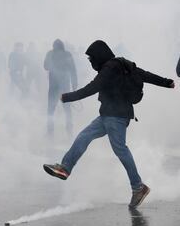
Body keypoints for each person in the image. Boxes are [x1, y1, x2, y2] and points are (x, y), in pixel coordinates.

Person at [43, 40, 175, 209]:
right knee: (85, 136)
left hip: (116, 116)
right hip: (107, 115)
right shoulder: (122, 64)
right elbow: (145, 75)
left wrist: (68, 97)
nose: (91, 62)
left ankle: (138, 187)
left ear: (99, 55)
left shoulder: (110, 68)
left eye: (91, 58)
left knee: (120, 148)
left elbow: (93, 87)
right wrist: (166, 82)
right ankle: (65, 168)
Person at [44, 39, 77, 137]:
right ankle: (69, 131)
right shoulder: (68, 54)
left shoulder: (50, 53)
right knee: (67, 110)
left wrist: (53, 66)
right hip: (65, 86)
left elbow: (45, 66)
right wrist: (75, 84)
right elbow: (73, 70)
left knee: (50, 110)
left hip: (53, 86)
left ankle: (50, 132)